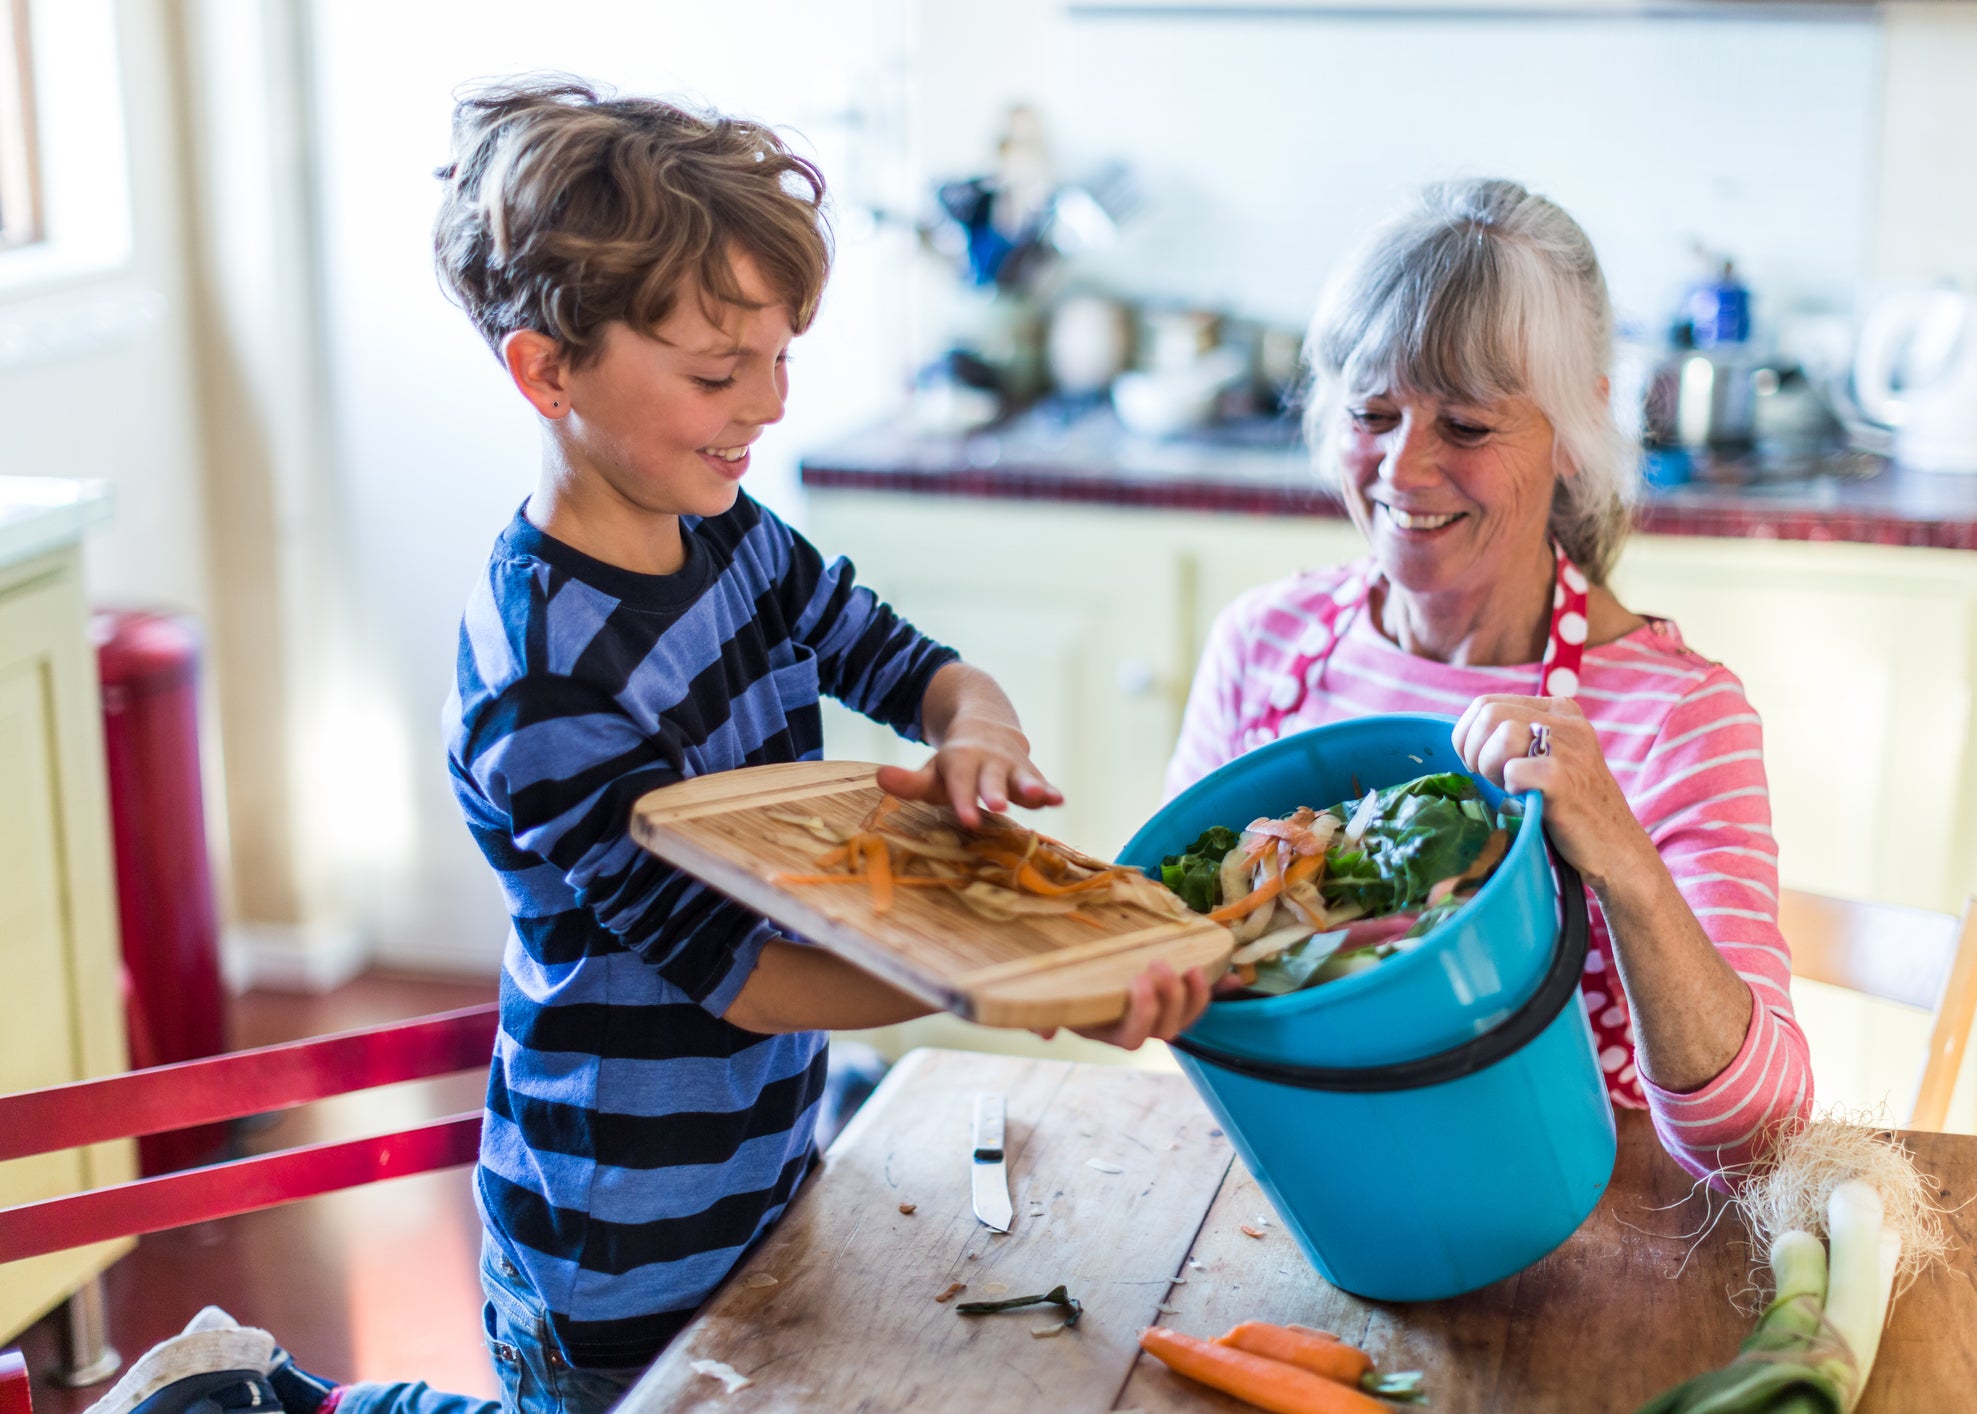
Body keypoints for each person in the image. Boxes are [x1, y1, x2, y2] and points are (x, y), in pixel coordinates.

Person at [90, 77, 1209, 1414]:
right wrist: (1011, 982)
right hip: (612, 1234)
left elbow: (913, 668)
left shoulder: (732, 534)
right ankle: (278, 1398)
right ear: (546, 368)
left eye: (783, 356)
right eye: (720, 371)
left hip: (761, 1152)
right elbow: (743, 978)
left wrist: (980, 731)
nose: (770, 403)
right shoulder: (543, 680)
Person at [1166, 178, 1812, 1185]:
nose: (1405, 470)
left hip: (1574, 1232)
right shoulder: (1263, 646)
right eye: (1373, 413)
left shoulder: (1679, 718)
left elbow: (1758, 1142)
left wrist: (1624, 863)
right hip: (1295, 1192)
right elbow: (1169, 961)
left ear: (1574, 431)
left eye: (1466, 428)